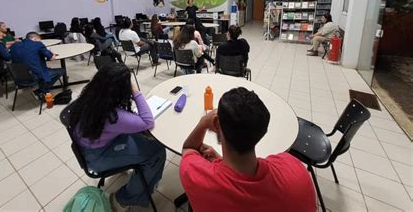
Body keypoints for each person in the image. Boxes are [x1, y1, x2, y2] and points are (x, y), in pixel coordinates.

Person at [179, 87, 317, 212]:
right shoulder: (296, 171)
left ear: (216, 124)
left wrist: (203, 122)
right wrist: (220, 160)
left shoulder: (198, 178)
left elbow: (188, 148)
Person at [71, 64, 166, 209]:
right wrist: (136, 91)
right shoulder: (113, 116)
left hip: (91, 143)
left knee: (142, 137)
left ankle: (135, 175)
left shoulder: (92, 97)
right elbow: (147, 121)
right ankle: (123, 199)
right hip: (97, 156)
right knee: (157, 151)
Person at [9, 32, 63, 99]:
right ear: (34, 38)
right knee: (61, 70)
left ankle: (41, 88)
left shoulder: (14, 46)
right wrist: (52, 53)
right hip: (33, 76)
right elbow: (51, 58)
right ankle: (42, 91)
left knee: (41, 67)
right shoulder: (38, 44)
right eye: (39, 40)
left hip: (19, 77)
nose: (40, 42)